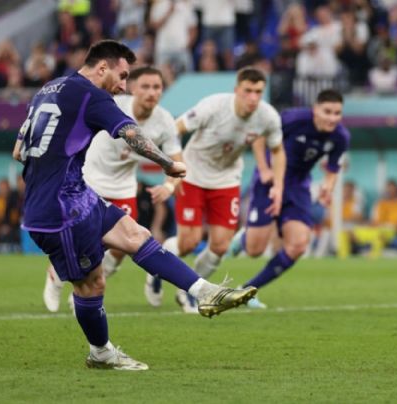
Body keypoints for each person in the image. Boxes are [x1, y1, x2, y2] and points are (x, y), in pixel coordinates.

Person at [13, 40, 256, 371]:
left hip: (74, 194)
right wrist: (167, 164)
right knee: (91, 284)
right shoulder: (92, 94)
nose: (123, 86)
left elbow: (18, 151)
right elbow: (129, 132)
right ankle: (101, 352)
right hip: (61, 210)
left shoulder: (48, 88)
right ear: (102, 68)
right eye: (123, 76)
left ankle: (204, 291)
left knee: (135, 235)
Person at [42, 65, 184, 312]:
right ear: (133, 89)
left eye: (157, 87)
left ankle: (85, 294)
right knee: (86, 243)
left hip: (123, 187)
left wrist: (169, 187)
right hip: (90, 180)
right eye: (146, 87)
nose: (152, 92)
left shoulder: (165, 121)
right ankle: (56, 275)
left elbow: (177, 160)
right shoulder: (112, 104)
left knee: (121, 247)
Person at [159, 66, 285, 313]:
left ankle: (190, 292)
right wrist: (171, 162)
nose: (253, 98)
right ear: (237, 90)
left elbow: (278, 150)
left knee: (220, 246)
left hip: (226, 180)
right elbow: (177, 127)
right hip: (193, 173)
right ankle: (159, 264)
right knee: (188, 242)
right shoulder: (214, 106)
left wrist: (279, 186)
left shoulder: (268, 117)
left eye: (258, 92)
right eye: (248, 91)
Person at [229, 89, 350, 308]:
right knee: (255, 250)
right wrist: (264, 169)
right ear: (315, 110)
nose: (333, 118)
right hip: (270, 181)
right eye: (328, 112)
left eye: (337, 113)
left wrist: (328, 186)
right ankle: (245, 238)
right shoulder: (293, 119)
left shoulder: (340, 137)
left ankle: (247, 291)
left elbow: (333, 167)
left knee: (298, 245)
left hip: (298, 187)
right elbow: (259, 136)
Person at [340, 179, 397, 259]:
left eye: (392, 190)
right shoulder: (379, 203)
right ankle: (343, 259)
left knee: (379, 236)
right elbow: (373, 221)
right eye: (388, 190)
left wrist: (388, 225)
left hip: (389, 230)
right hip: (375, 229)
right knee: (344, 234)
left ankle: (373, 259)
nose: (390, 192)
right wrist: (368, 225)